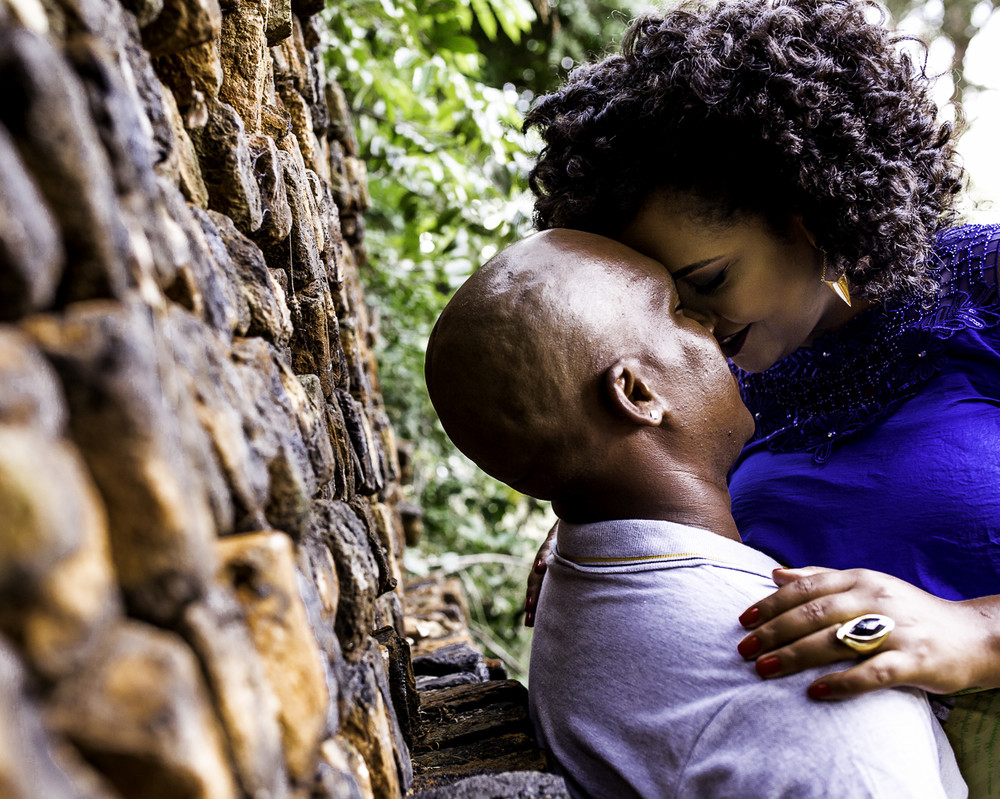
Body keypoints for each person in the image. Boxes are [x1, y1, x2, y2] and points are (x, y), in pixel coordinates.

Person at [519, 0, 1000, 789]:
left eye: (708, 280)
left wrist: (977, 634)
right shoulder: (715, 394)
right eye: (667, 304)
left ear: (808, 206)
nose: (698, 326)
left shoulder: (986, 286)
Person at [425, 228, 966, 798]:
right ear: (638, 393)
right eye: (682, 311)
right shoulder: (820, 694)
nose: (717, 331)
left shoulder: (588, 574)